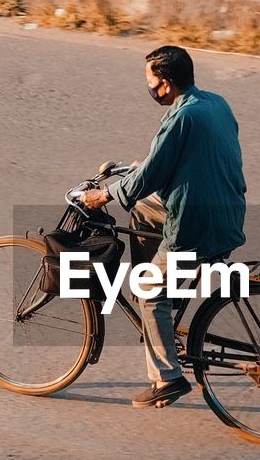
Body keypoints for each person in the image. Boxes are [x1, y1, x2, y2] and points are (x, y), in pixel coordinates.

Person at [79, 45, 246, 409]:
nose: (148, 87)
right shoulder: (214, 103)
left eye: (150, 81)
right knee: (142, 210)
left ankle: (167, 377)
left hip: (196, 223)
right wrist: (144, 168)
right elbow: (182, 159)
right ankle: (159, 304)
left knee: (148, 287)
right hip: (228, 210)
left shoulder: (179, 119)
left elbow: (149, 176)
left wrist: (102, 196)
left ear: (166, 84)